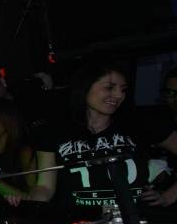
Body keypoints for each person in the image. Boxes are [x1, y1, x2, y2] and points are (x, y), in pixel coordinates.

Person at [31, 62, 177, 208]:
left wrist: (168, 197)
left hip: (134, 219)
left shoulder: (138, 124)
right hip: (81, 220)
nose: (119, 95)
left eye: (123, 89)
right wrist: (28, 205)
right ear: (85, 87)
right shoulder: (55, 131)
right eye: (109, 87)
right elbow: (45, 187)